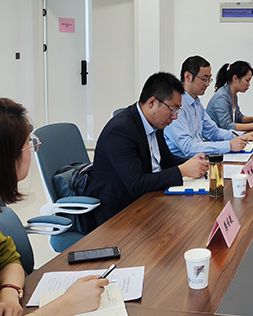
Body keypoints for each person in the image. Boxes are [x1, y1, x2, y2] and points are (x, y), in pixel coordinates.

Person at [0, 98, 109, 316]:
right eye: (29, 143)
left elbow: (8, 257)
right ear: (4, 160)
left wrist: (9, 291)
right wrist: (68, 304)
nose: (33, 150)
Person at [85, 72, 209, 227]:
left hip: (150, 199)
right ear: (152, 102)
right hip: (118, 214)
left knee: (194, 218)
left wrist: (193, 163)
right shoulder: (120, 131)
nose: (175, 117)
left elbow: (166, 159)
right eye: (173, 109)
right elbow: (136, 184)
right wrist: (182, 170)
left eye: (178, 111)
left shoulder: (155, 123)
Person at [165, 56, 253, 159]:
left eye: (209, 79)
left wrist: (241, 136)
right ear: (188, 77)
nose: (208, 84)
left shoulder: (196, 103)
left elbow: (213, 131)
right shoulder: (175, 106)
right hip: (182, 162)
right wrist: (229, 145)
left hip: (198, 158)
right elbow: (188, 148)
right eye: (204, 79)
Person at [206, 61, 253, 131]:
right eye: (247, 80)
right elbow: (226, 125)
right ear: (235, 78)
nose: (249, 84)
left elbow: (238, 118)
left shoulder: (232, 94)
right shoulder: (222, 97)